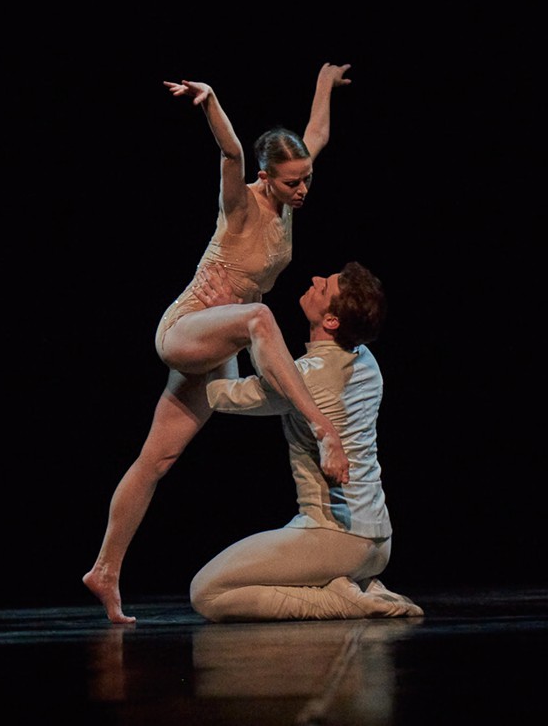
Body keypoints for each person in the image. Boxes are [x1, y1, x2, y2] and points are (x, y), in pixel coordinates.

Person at [83, 63, 354, 623]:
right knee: (259, 317)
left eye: (306, 179)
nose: (302, 189)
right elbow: (230, 154)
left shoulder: (291, 191)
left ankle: (104, 571)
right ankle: (320, 426)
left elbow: (318, 134)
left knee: (157, 458)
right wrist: (210, 102)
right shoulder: (243, 203)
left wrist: (324, 82)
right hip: (186, 330)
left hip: (219, 345)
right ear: (266, 175)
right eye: (291, 181)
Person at [188, 261, 425, 622]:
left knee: (207, 592)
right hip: (378, 542)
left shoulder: (308, 381)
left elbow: (220, 395)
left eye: (324, 287)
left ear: (332, 321)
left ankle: (341, 601)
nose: (315, 280)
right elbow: (282, 371)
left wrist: (227, 326)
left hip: (336, 538)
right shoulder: (365, 359)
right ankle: (355, 584)